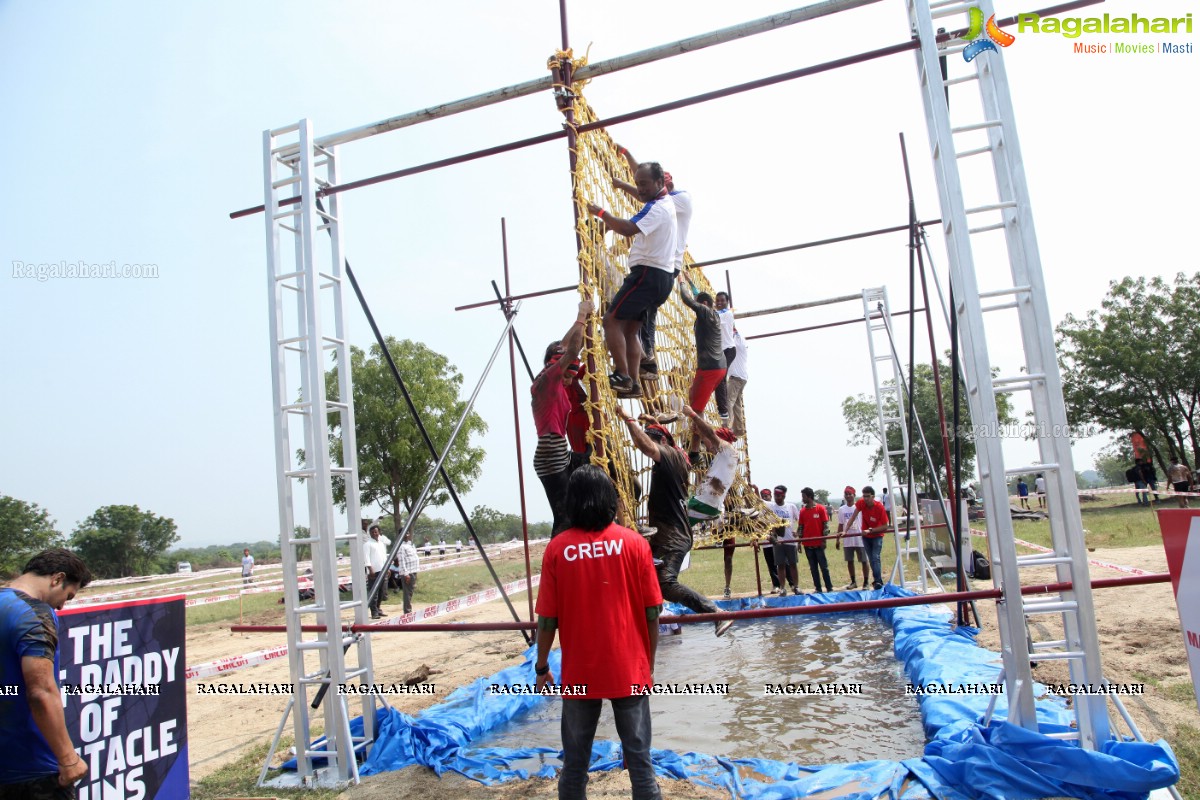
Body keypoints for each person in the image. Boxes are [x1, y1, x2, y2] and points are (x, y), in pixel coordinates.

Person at [534, 465, 664, 800]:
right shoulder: (635, 544)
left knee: (575, 765)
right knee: (640, 763)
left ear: (571, 502)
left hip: (580, 674)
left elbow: (547, 619)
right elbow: (653, 613)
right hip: (629, 670)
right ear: (610, 498)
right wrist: (648, 664)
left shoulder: (558, 549)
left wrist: (542, 666)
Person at [620, 414, 733, 637]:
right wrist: (653, 419)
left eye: (654, 439)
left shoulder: (670, 455)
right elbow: (679, 446)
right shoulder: (679, 456)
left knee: (665, 584)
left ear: (663, 442)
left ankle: (716, 612)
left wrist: (628, 420)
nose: (651, 443)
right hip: (670, 535)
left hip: (673, 536)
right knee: (641, 577)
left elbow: (647, 447)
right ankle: (645, 621)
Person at [1, 548, 93, 796]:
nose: (62, 606)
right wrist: (68, 758)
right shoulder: (33, 614)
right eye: (68, 596)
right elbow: (40, 691)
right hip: (32, 769)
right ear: (57, 579)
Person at [588, 162, 677, 398]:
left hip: (647, 275)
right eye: (637, 184)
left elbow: (627, 229)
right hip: (661, 279)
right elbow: (641, 201)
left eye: (644, 184)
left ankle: (623, 375)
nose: (640, 188)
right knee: (630, 329)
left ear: (660, 183)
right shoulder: (663, 204)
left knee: (611, 320)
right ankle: (635, 384)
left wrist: (601, 213)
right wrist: (621, 184)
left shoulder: (656, 209)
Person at [613, 146, 693, 383]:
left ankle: (646, 355)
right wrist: (627, 155)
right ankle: (643, 357)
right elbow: (642, 180)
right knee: (643, 311)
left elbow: (641, 192)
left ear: (663, 185)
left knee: (646, 310)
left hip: (665, 264)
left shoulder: (679, 200)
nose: (644, 189)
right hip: (663, 261)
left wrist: (621, 186)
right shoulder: (666, 198)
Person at [533, 299, 595, 536]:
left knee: (597, 466)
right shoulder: (547, 381)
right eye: (567, 377)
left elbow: (565, 344)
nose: (569, 381)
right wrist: (581, 312)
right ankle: (559, 557)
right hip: (550, 451)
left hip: (560, 450)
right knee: (565, 515)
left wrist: (581, 321)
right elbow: (570, 350)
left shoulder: (551, 376)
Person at [676, 404, 740, 599]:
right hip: (704, 503)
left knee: (674, 521)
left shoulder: (728, 451)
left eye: (711, 443)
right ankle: (678, 554)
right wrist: (696, 432)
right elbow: (706, 439)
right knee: (677, 521)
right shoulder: (721, 458)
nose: (708, 447)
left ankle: (674, 561)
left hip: (706, 505)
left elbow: (710, 434)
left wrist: (693, 415)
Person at [677, 272, 727, 457]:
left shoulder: (705, 311)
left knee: (695, 411)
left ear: (704, 305)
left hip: (711, 369)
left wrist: (681, 282)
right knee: (693, 399)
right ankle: (698, 448)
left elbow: (688, 299)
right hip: (712, 367)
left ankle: (708, 447)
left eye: (700, 303)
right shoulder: (709, 311)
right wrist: (691, 281)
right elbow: (699, 295)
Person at [844, 486, 891, 590]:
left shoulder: (879, 507)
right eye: (864, 496)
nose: (865, 498)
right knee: (871, 559)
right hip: (866, 537)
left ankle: (878, 581)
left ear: (873, 496)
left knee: (875, 558)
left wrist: (870, 530)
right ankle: (877, 581)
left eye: (868, 496)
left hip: (877, 536)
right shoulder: (861, 503)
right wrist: (845, 530)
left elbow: (885, 526)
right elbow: (853, 516)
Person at [766, 485, 801, 595]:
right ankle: (782, 588)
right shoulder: (771, 506)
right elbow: (758, 501)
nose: (777, 497)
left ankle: (796, 587)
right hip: (778, 542)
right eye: (775, 495)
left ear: (784, 495)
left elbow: (800, 520)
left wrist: (798, 532)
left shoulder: (791, 507)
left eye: (779, 495)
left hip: (790, 540)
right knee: (780, 566)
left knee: (793, 564)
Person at [799, 488, 833, 593]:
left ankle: (829, 588)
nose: (802, 499)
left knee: (824, 567)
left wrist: (824, 540)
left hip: (819, 544)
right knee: (813, 568)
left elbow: (825, 526)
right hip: (807, 545)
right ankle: (818, 588)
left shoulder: (820, 509)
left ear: (809, 496)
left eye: (803, 496)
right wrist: (799, 542)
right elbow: (801, 527)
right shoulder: (802, 511)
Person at [836, 486, 869, 589]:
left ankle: (866, 582)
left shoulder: (860, 507)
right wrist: (838, 539)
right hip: (848, 539)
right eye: (846, 494)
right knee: (850, 561)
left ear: (854, 495)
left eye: (850, 494)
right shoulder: (842, 509)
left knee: (864, 561)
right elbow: (841, 524)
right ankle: (853, 581)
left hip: (860, 538)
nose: (848, 496)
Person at [712, 291, 738, 422]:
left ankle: (723, 411)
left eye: (722, 300)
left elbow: (712, 314)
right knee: (719, 377)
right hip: (721, 351)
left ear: (727, 302)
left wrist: (704, 306)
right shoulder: (718, 312)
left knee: (720, 377)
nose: (719, 303)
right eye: (717, 301)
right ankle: (722, 410)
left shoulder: (727, 314)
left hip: (728, 350)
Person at [725, 331, 749, 439]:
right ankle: (738, 429)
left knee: (728, 401)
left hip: (736, 378)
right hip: (741, 378)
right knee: (736, 404)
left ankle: (727, 426)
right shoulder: (740, 341)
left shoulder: (738, 341)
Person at [757, 487, 781, 594]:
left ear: (770, 496)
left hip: (777, 540)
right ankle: (776, 585)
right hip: (766, 542)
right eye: (763, 497)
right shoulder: (759, 509)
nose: (765, 498)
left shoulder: (774, 506)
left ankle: (785, 584)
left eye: (767, 496)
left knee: (781, 564)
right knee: (771, 565)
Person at [363, 525, 388, 619]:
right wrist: (370, 570)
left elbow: (384, 557)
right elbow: (366, 558)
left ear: (379, 532)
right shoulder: (367, 544)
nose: (375, 533)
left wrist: (387, 568)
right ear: (370, 533)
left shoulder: (381, 544)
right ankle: (374, 612)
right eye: (372, 532)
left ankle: (378, 608)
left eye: (376, 532)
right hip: (374, 572)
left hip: (383, 570)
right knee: (374, 592)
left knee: (382, 591)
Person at [396, 531, 420, 614]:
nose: (406, 535)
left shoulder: (410, 545)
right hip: (408, 573)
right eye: (404, 534)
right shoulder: (401, 546)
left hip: (413, 571)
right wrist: (406, 574)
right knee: (407, 593)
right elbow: (401, 561)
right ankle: (407, 612)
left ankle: (408, 610)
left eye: (407, 533)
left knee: (410, 592)